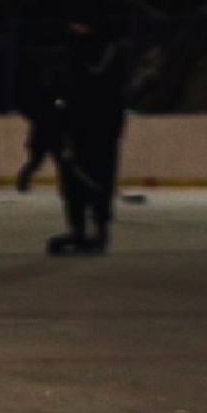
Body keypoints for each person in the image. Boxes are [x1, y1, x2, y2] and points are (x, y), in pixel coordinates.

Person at [48, 17, 126, 255]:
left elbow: (110, 89)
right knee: (73, 179)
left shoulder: (109, 55)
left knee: (97, 177)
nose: (76, 30)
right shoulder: (69, 57)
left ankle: (99, 229)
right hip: (74, 127)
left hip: (99, 128)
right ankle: (78, 229)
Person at [13, 59, 60, 194]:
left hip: (46, 134)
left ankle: (22, 184)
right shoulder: (46, 98)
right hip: (45, 135)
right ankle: (22, 183)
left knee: (39, 162)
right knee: (39, 162)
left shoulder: (44, 98)